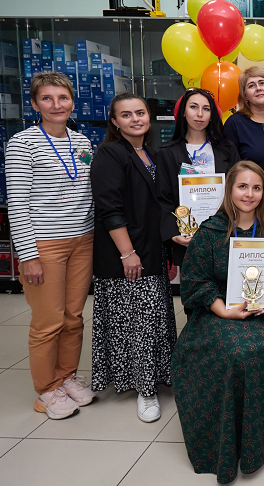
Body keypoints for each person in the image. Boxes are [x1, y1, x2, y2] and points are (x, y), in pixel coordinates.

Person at [173, 161, 264, 482]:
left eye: (256, 188)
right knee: (236, 350)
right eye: (242, 186)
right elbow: (195, 281)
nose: (249, 194)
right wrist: (224, 310)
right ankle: (235, 437)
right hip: (221, 308)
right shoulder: (210, 232)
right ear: (230, 190)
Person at [6, 72, 96, 419]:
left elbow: (87, 189)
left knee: (73, 317)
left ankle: (66, 377)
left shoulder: (82, 142)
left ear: (72, 101)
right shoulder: (22, 144)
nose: (57, 105)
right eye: (47, 98)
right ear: (34, 104)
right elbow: (17, 203)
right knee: (48, 321)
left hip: (82, 240)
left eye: (63, 98)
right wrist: (28, 256)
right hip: (45, 244)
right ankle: (46, 390)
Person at [90, 93, 176, 422]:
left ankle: (160, 375)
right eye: (126, 115)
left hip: (153, 249)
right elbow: (109, 208)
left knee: (154, 320)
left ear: (149, 117)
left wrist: (168, 249)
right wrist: (127, 252)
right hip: (126, 253)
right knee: (136, 324)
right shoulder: (110, 154)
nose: (135, 119)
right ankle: (145, 390)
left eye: (140, 112)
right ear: (114, 122)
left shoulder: (152, 154)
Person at [157, 88, 239, 272]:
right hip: (187, 240)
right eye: (193, 107)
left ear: (212, 115)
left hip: (224, 236)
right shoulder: (167, 152)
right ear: (183, 112)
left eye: (206, 109)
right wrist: (173, 233)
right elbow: (163, 197)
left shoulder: (227, 149)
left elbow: (238, 190)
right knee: (195, 289)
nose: (200, 114)